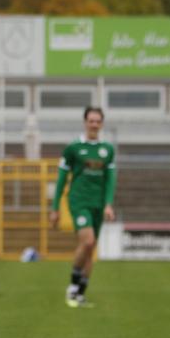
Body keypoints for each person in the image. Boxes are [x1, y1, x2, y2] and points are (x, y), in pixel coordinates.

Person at [49, 107, 117, 308]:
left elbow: (110, 179)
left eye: (98, 121)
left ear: (102, 124)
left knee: (91, 248)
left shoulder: (108, 150)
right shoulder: (73, 149)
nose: (94, 124)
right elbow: (62, 179)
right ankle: (72, 286)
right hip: (79, 201)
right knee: (87, 242)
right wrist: (55, 208)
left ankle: (80, 293)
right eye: (91, 121)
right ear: (85, 122)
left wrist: (108, 204)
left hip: (98, 204)